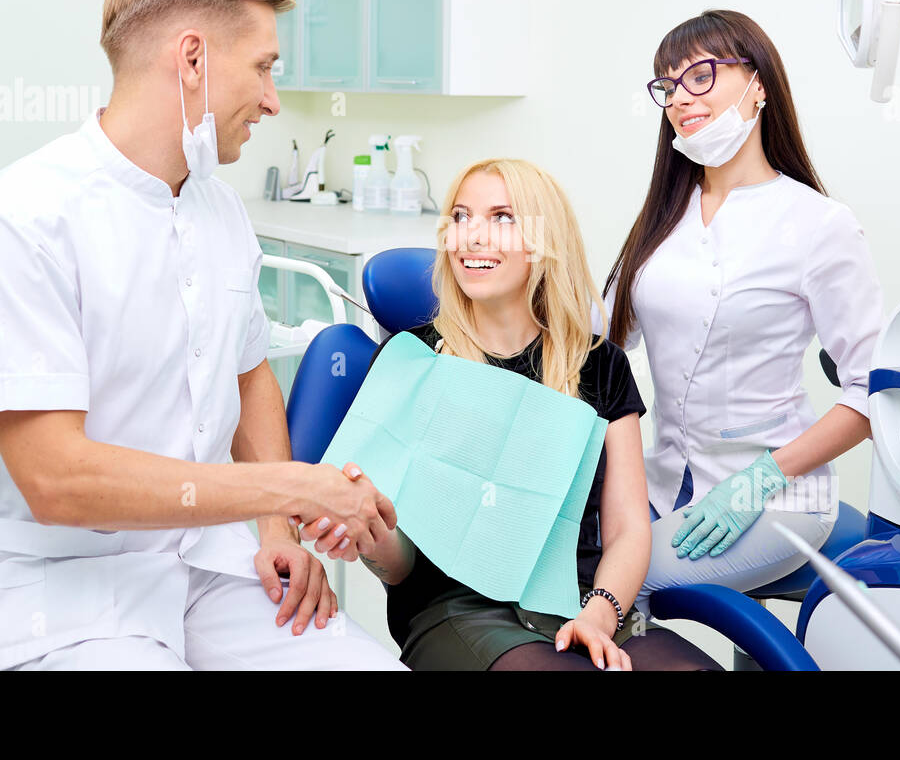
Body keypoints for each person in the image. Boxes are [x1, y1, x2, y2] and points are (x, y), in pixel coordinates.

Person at [0, 0, 402, 670]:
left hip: (204, 569)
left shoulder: (219, 210)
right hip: (56, 594)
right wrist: (298, 486)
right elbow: (57, 481)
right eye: (265, 67)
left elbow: (249, 378)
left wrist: (275, 530)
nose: (273, 100)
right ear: (192, 60)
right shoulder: (16, 222)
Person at [303, 159, 721, 671]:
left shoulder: (599, 366)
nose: (472, 237)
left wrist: (600, 615)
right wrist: (369, 537)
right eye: (460, 217)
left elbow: (629, 529)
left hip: (582, 598)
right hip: (459, 609)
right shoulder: (417, 363)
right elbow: (400, 566)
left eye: (502, 217)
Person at [597, 9, 883, 611]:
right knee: (566, 554)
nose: (680, 98)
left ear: (758, 84)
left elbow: (870, 393)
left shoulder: (817, 225)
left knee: (617, 584)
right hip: (663, 476)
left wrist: (764, 479)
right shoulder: (663, 215)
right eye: (668, 86)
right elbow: (600, 335)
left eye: (700, 75)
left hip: (778, 495)